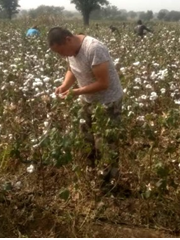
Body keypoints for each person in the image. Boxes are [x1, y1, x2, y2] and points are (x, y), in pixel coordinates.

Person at [47, 27, 124, 188]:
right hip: (87, 99)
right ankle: (91, 173)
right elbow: (72, 69)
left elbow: (103, 83)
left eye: (62, 52)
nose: (63, 56)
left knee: (106, 143)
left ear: (68, 39)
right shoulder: (71, 50)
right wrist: (64, 86)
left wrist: (74, 92)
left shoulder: (94, 48)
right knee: (86, 138)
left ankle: (110, 182)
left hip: (107, 101)